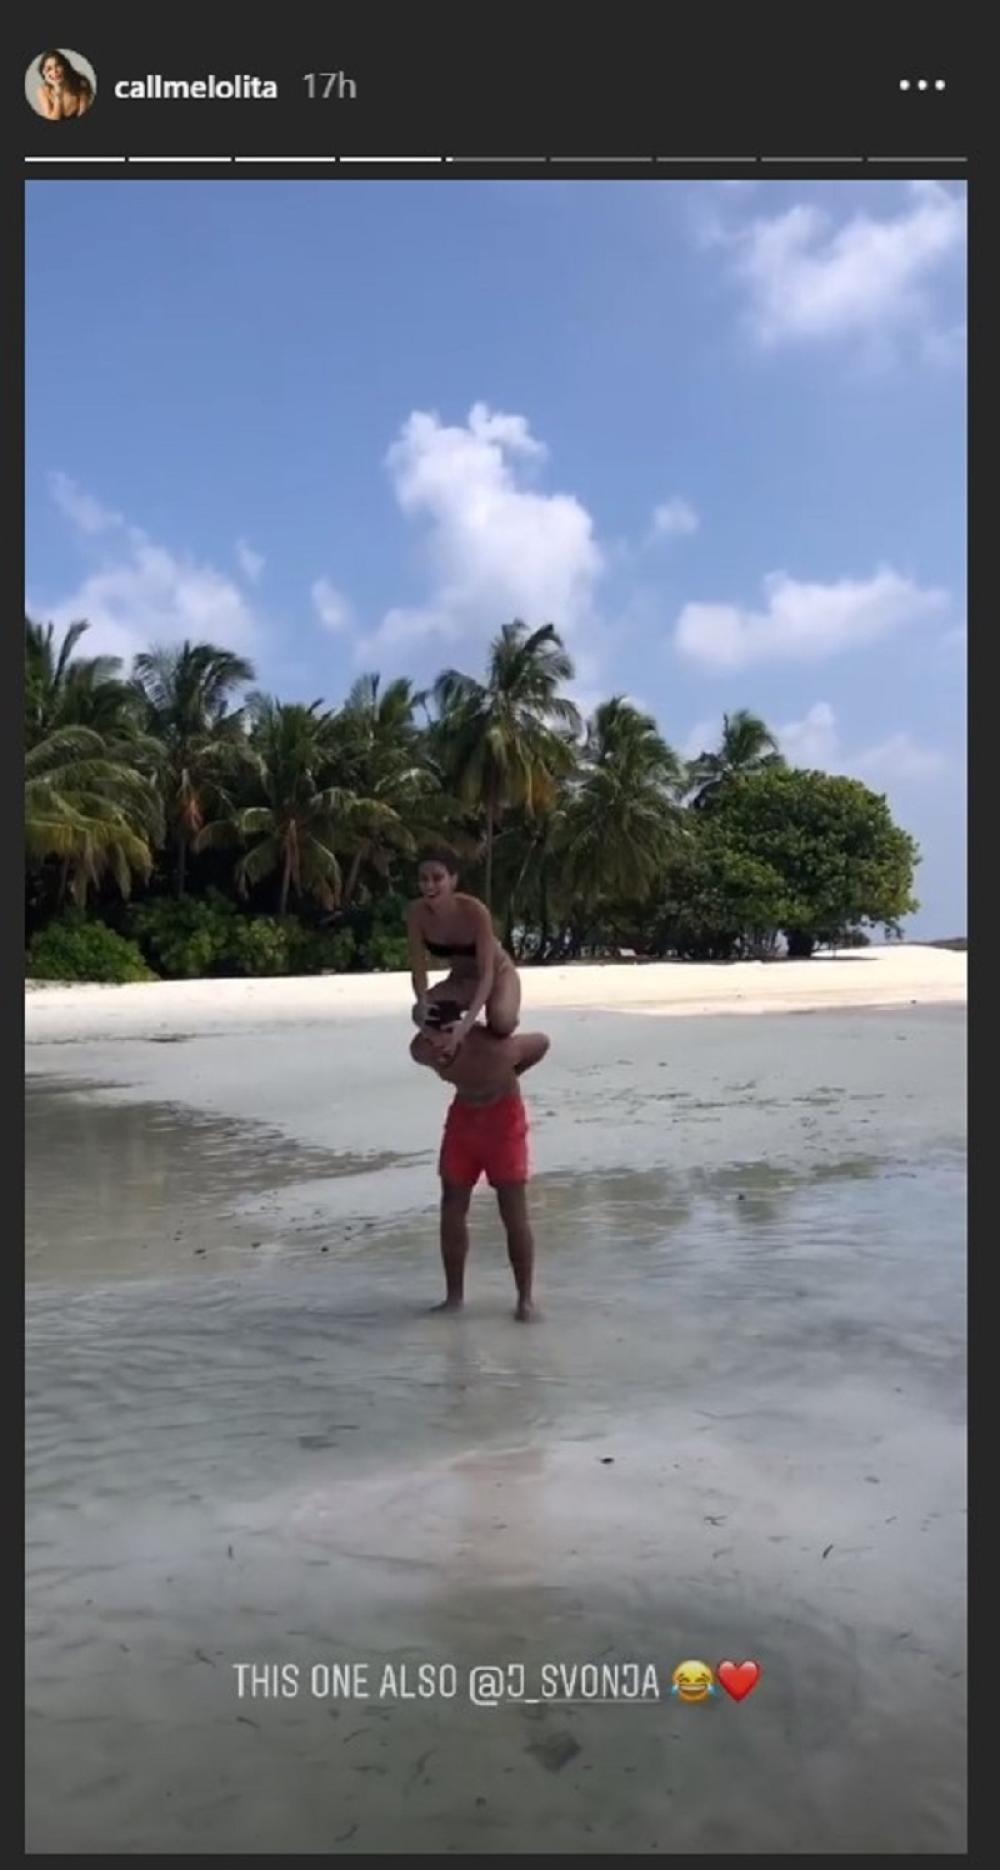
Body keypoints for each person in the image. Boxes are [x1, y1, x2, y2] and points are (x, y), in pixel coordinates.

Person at [410, 1008, 549, 1320]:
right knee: (451, 1204)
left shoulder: (495, 1049)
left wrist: (505, 1074)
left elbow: (542, 1042)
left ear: (459, 1030)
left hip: (504, 1121)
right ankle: (453, 1297)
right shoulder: (421, 1051)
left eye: (443, 1040)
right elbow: (425, 1044)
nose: (437, 1050)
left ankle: (525, 1300)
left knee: (512, 1210)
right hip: (463, 1120)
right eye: (430, 1040)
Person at [36, 50, 93, 119]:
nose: (54, 71)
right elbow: (53, 119)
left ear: (65, 67)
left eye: (58, 66)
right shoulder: (43, 91)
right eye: (49, 69)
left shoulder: (80, 84)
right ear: (44, 73)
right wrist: (57, 89)